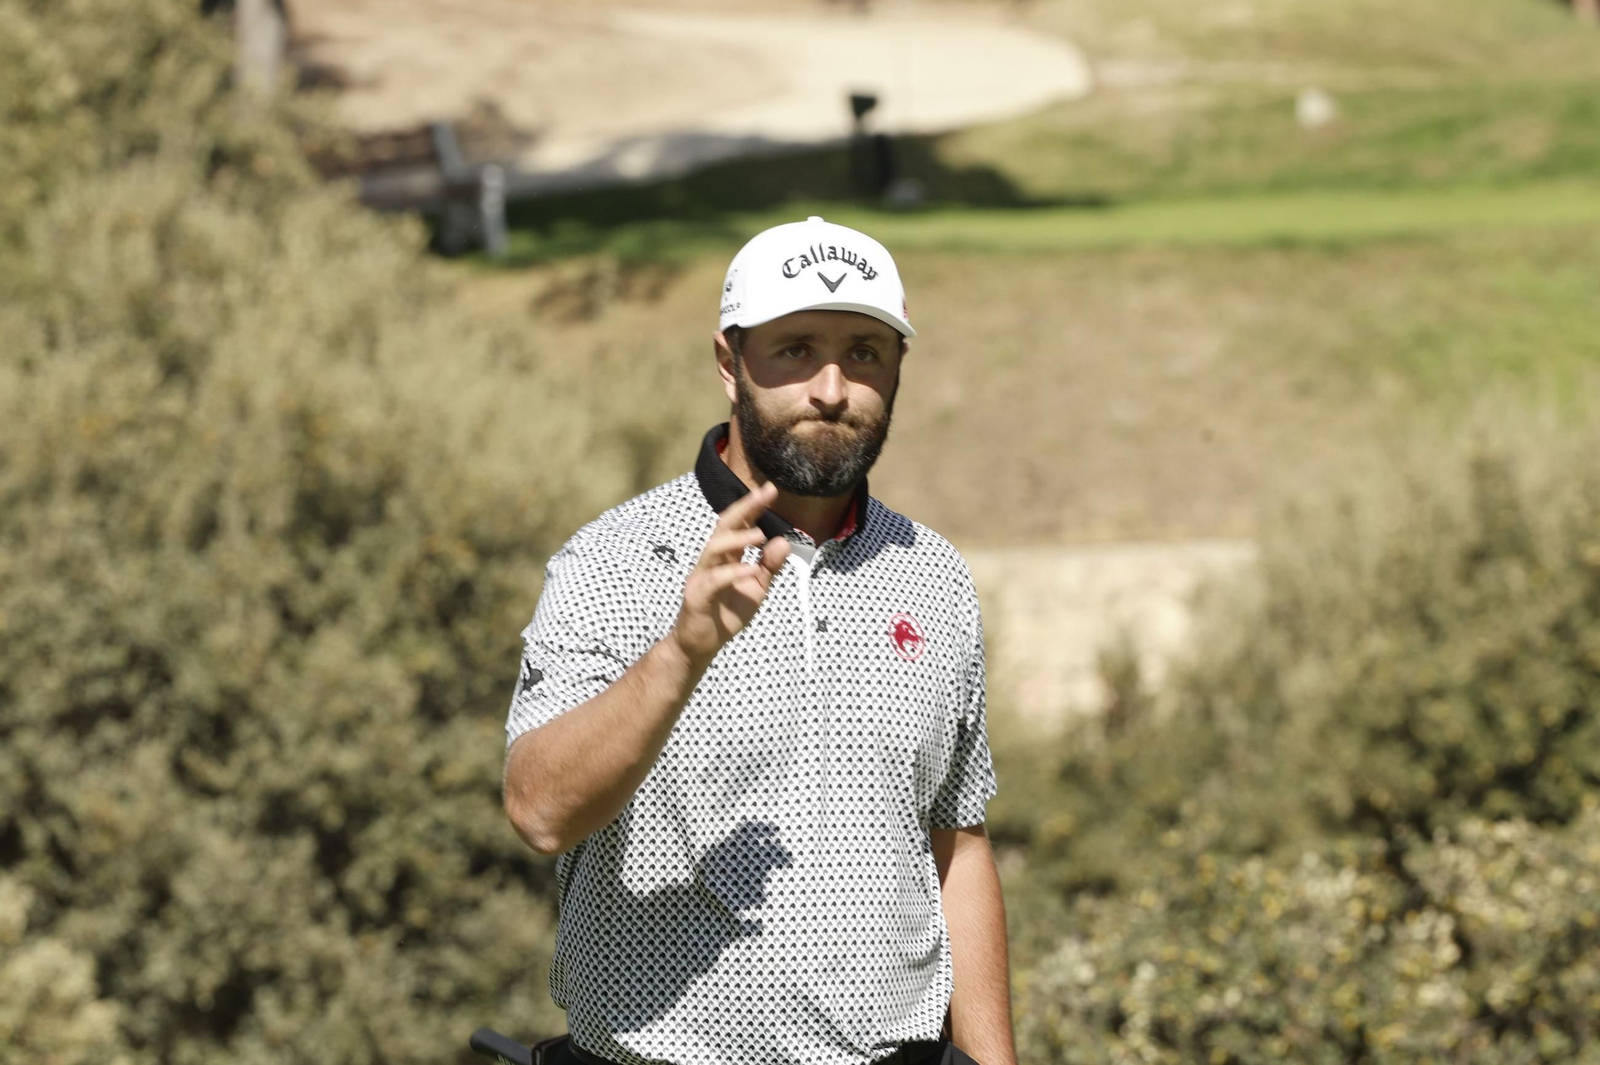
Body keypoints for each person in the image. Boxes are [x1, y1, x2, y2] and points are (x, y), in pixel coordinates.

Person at [502, 216, 1014, 1065]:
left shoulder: (934, 573)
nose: (832, 387)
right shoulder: (615, 559)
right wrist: (680, 655)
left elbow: (958, 842)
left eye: (864, 352)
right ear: (726, 363)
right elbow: (539, 810)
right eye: (794, 349)